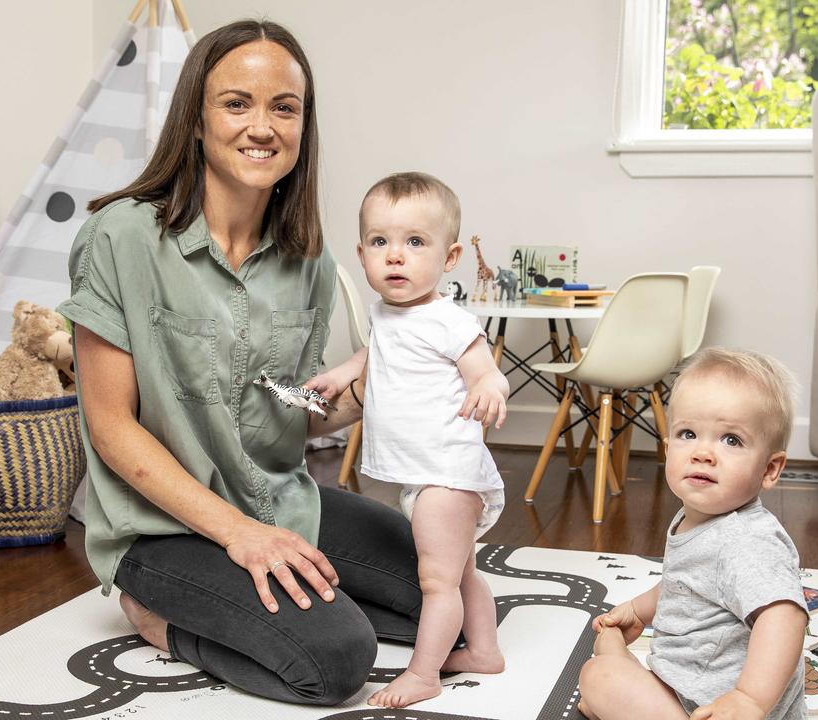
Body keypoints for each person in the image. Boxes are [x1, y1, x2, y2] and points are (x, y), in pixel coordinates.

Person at [56, 21, 423, 706]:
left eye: (284, 107)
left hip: (277, 499)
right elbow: (109, 427)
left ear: (303, 125)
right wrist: (241, 536)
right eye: (237, 103)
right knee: (337, 659)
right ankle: (161, 620)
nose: (263, 126)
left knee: (443, 583)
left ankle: (279, 608)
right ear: (195, 118)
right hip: (161, 527)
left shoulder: (307, 258)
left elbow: (291, 413)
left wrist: (372, 391)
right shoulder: (121, 238)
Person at [318, 172, 509, 708]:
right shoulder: (387, 313)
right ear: (362, 254)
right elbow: (374, 354)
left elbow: (484, 368)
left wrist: (490, 387)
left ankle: (424, 674)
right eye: (381, 243)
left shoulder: (448, 319)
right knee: (462, 569)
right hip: (428, 474)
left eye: (415, 243)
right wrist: (339, 377)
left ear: (449, 259)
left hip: (447, 472)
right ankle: (485, 650)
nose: (395, 257)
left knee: (437, 583)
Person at [577, 348, 809, 720]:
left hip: (726, 705)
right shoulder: (698, 516)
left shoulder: (747, 541)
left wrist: (749, 700)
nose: (703, 452)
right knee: (606, 655)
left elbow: (785, 616)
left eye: (731, 440)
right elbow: (685, 581)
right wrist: (639, 610)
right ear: (668, 448)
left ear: (769, 468)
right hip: (687, 682)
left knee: (599, 675)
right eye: (688, 433)